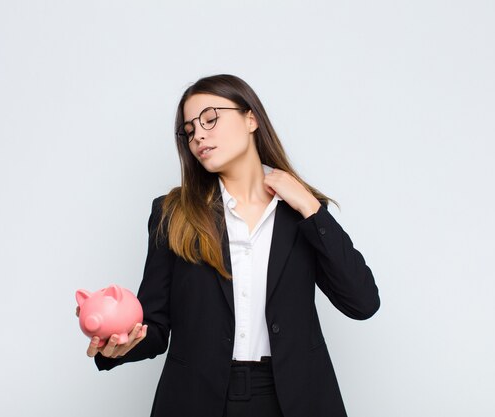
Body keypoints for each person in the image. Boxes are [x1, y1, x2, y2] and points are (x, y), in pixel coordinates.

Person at [82, 74, 380, 417]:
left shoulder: (304, 214)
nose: (199, 136)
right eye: (189, 130)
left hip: (295, 398)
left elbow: (362, 302)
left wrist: (310, 208)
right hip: (198, 399)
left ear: (250, 118)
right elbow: (154, 326)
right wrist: (117, 344)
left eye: (210, 118)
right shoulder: (173, 213)